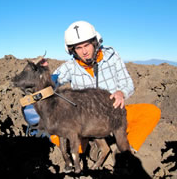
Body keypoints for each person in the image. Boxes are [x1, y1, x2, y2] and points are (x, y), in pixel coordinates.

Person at [50, 20, 161, 152]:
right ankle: (87, 148)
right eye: (79, 48)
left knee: (151, 112)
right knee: (55, 134)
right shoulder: (70, 66)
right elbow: (53, 81)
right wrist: (43, 77)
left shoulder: (111, 56)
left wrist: (121, 92)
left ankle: (125, 152)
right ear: (72, 50)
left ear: (95, 43)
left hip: (113, 114)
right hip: (84, 121)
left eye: (87, 45)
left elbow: (127, 83)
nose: (84, 51)